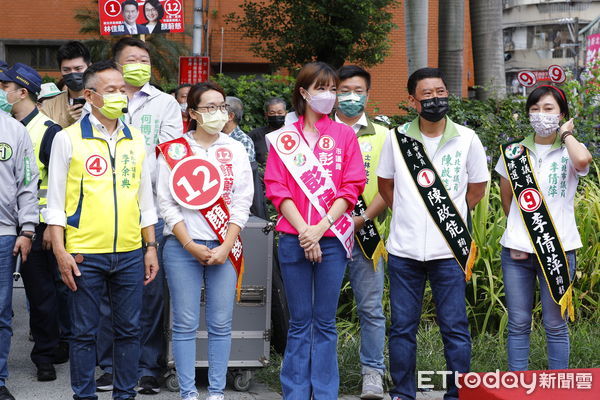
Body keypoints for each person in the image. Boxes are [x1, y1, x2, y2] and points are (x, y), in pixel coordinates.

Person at [45, 60, 159, 400]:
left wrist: (149, 246)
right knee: (83, 333)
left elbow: (145, 198)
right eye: (110, 90)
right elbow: (53, 203)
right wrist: (61, 251)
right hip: (84, 253)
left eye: (122, 89)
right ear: (91, 96)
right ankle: (84, 395)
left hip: (128, 252)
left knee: (129, 331)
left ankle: (125, 395)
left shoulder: (136, 139)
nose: (119, 95)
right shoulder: (68, 139)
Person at [377, 67, 489, 400]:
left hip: (449, 251)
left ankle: (458, 393)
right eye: (427, 94)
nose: (436, 99)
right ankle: (403, 392)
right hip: (404, 251)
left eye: (440, 92)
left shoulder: (467, 138)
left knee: (455, 328)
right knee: (402, 329)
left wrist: (446, 217)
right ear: (413, 100)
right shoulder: (398, 139)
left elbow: (477, 188)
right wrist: (412, 213)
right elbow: (386, 187)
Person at [264, 62, 366, 399]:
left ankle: (324, 393)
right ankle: (294, 392)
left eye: (332, 89)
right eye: (321, 88)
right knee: (299, 322)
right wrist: (305, 231)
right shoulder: (283, 139)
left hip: (333, 239)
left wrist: (320, 228)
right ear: (304, 92)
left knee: (324, 322)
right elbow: (277, 188)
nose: (329, 95)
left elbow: (351, 187)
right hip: (294, 239)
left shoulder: (344, 135)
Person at [95, 36, 182, 395]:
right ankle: (109, 365)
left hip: (149, 211)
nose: (139, 65)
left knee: (149, 291)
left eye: (144, 59)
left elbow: (171, 154)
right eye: (131, 59)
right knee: (102, 292)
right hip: (103, 213)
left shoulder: (164, 104)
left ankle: (147, 367)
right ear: (116, 65)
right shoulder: (97, 102)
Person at [158, 82, 253, 400]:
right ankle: (187, 392)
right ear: (193, 112)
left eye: (222, 106)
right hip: (183, 246)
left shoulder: (235, 149)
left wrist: (226, 246)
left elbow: (242, 201)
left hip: (223, 245)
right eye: (210, 107)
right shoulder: (174, 150)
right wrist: (188, 244)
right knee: (184, 323)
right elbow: (166, 203)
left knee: (221, 323)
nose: (218, 113)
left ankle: (216, 392)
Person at [495, 85, 592, 371]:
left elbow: (583, 161)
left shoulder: (571, 150)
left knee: (555, 323)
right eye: (535, 109)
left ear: (562, 113)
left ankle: (557, 386)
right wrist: (521, 232)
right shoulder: (513, 153)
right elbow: (507, 199)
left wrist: (567, 133)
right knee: (518, 322)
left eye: (548, 109)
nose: (541, 115)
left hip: (558, 249)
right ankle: (517, 383)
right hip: (517, 251)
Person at [0, 63, 64, 382]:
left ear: (21, 91)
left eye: (4, 86)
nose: (1, 91)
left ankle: (45, 356)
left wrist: (53, 226)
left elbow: (61, 184)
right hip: (9, 225)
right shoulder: (7, 125)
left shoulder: (49, 131)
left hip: (39, 228)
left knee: (41, 296)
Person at [334, 65, 390, 399]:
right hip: (324, 235)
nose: (351, 97)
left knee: (370, 308)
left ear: (368, 95)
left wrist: (363, 219)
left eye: (358, 90)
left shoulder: (384, 134)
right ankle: (321, 371)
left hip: (365, 235)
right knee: (319, 308)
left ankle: (373, 374)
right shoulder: (319, 131)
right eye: (344, 90)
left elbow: (389, 187)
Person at [0, 103, 39, 400]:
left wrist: (27, 229)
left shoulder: (15, 130)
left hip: (4, 233)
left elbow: (28, 182)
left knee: (1, 313)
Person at [41, 41, 91, 128]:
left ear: (89, 67)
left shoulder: (102, 100)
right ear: (60, 70)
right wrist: (66, 121)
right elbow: (44, 137)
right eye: (66, 70)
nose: (72, 73)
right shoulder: (49, 105)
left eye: (78, 69)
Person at [248, 97, 287, 167]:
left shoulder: (293, 134)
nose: (276, 115)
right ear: (266, 115)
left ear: (286, 113)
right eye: (272, 113)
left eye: (280, 112)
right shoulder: (255, 135)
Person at [223, 96, 256, 164]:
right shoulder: (214, 135)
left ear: (230, 116)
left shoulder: (243, 141)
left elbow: (245, 171)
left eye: (220, 110)